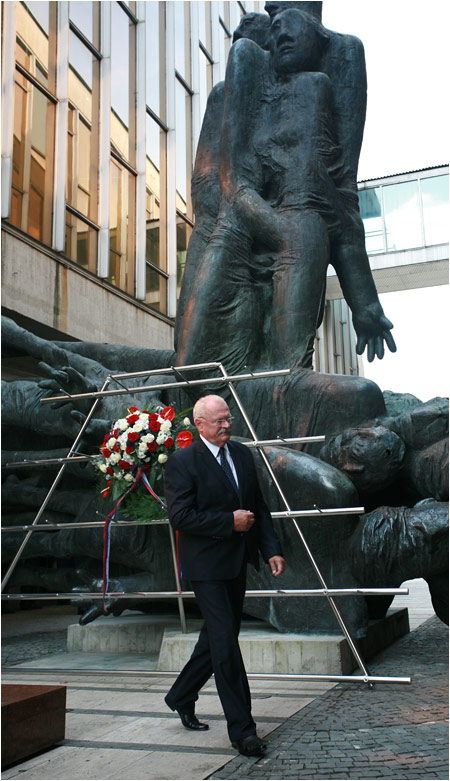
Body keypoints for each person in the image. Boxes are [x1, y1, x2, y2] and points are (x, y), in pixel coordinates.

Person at [175, 8, 396, 374]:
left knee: (284, 367)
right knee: (189, 362)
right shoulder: (230, 93)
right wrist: (274, 229)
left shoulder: (315, 89)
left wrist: (366, 304)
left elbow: (339, 197)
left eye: (286, 27)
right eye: (272, 30)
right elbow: (219, 183)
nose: (277, 36)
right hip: (237, 227)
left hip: (294, 228)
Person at [163, 394, 285, 757]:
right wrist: (228, 523)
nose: (226, 425)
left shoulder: (243, 454)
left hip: (237, 562)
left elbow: (259, 506)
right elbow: (180, 517)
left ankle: (180, 695)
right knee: (226, 645)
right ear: (199, 425)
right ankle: (243, 731)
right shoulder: (182, 463)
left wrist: (271, 548)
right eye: (218, 421)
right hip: (205, 567)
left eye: (228, 418)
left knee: (219, 637)